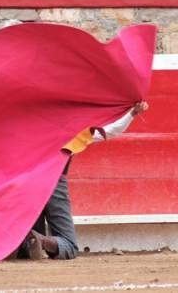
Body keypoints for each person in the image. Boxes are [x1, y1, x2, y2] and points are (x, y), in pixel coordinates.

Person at [11, 101, 150, 260]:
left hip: (27, 183)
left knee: (29, 245)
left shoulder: (30, 124)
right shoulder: (72, 129)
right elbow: (110, 131)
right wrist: (132, 113)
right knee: (69, 246)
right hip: (55, 183)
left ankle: (24, 241)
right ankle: (40, 240)